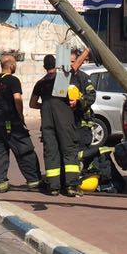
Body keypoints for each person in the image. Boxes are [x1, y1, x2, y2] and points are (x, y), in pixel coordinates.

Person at [0, 53, 41, 193]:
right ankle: (34, 181)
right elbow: (17, 99)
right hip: (12, 122)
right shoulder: (13, 80)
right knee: (25, 150)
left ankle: (0, 183)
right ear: (11, 65)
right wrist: (20, 115)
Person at [30, 52, 80, 197]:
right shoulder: (62, 80)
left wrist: (45, 106)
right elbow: (75, 68)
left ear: (45, 67)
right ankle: (70, 186)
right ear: (56, 65)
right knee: (69, 150)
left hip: (47, 121)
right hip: (64, 120)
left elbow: (32, 104)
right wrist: (87, 51)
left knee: (51, 152)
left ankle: (53, 187)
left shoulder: (40, 83)